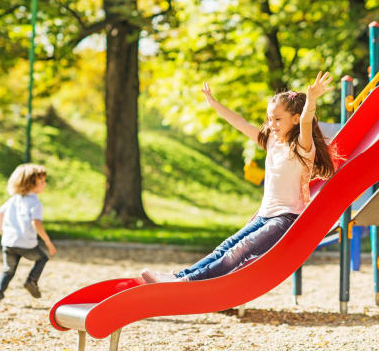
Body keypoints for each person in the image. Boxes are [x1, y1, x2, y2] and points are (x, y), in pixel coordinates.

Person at [142, 71, 336, 283]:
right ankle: (179, 276)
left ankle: (188, 282)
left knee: (240, 250)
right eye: (270, 119)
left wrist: (311, 100)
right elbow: (240, 122)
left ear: (295, 119)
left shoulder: (302, 147)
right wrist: (213, 103)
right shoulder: (271, 141)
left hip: (286, 219)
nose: (272, 124)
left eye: (278, 119)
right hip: (264, 215)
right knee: (226, 246)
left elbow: (307, 120)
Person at [0, 163, 57, 305]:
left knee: (8, 270)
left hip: (9, 242)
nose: (44, 184)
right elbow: (36, 223)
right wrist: (47, 241)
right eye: (42, 182)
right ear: (31, 184)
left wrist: (2, 230)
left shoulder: (13, 199)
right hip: (26, 244)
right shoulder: (35, 203)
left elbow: (0, 212)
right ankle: (31, 281)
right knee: (42, 258)